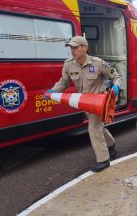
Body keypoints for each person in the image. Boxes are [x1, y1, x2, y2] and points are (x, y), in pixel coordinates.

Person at [44, 36, 121, 172]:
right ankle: (111, 144)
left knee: (93, 128)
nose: (72, 50)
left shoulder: (98, 63)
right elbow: (64, 82)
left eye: (75, 47)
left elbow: (116, 76)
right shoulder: (69, 64)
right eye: (71, 47)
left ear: (84, 48)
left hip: (99, 103)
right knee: (99, 127)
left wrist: (116, 87)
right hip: (83, 103)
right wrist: (52, 91)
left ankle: (103, 159)